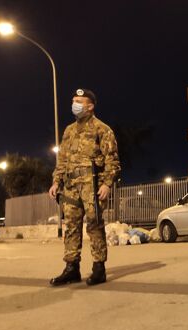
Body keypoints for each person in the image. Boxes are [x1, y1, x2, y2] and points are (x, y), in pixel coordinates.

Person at [48, 88, 120, 286]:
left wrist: (107, 184)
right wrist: (56, 181)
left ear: (90, 106)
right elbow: (61, 159)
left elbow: (112, 160)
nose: (75, 104)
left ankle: (99, 268)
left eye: (79, 101)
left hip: (92, 185)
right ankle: (72, 268)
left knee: (95, 225)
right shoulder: (69, 130)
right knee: (71, 226)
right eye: (73, 100)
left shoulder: (102, 129)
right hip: (70, 186)